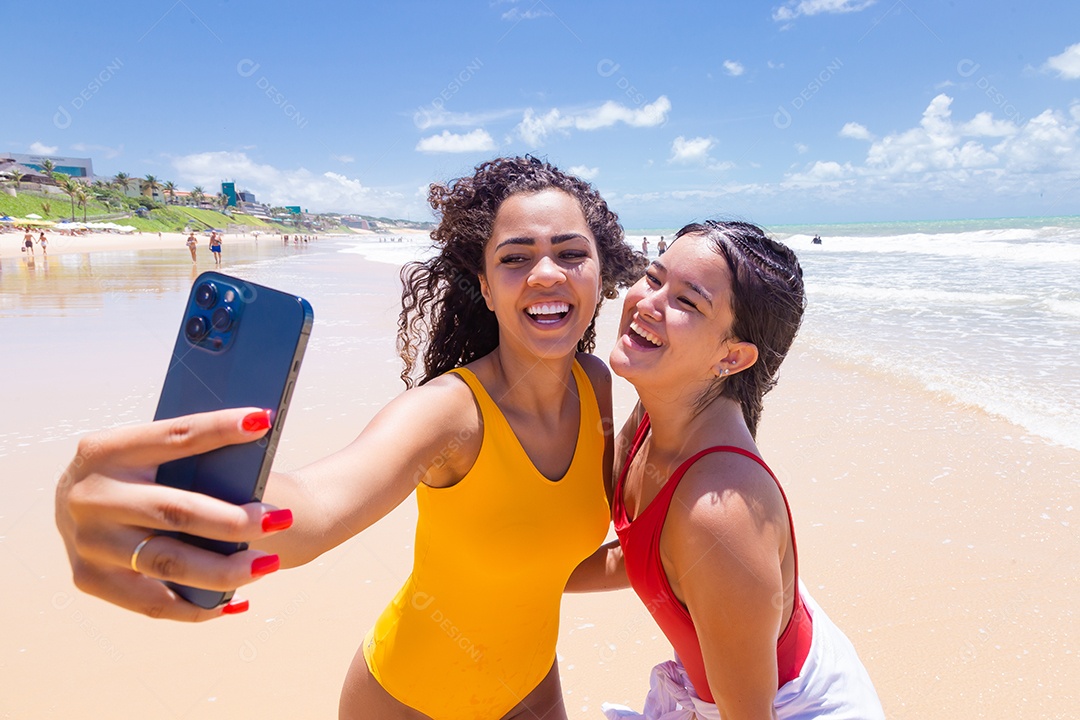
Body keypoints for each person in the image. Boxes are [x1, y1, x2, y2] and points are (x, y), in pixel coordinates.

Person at [54, 156, 645, 720]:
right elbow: (316, 507)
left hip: (533, 689)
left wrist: (686, 562)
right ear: (487, 288)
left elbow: (563, 563)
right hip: (408, 700)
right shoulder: (449, 414)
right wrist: (164, 503)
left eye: (571, 253)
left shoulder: (593, 383)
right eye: (515, 258)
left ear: (601, 272)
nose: (546, 273)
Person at [574, 221, 883, 719]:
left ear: (732, 356)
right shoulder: (658, 411)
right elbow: (647, 558)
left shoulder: (719, 514)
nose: (649, 304)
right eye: (654, 279)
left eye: (687, 302)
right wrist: (519, 577)